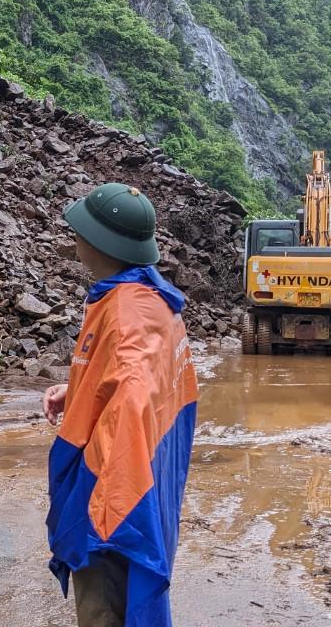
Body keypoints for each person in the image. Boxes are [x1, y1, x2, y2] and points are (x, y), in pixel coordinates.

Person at [42, 183, 199, 627]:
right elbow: (145, 384)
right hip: (136, 489)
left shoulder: (126, 312)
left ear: (98, 243)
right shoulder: (150, 300)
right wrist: (79, 392)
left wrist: (103, 508)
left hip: (113, 505)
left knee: (105, 610)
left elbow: (131, 396)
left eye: (79, 232)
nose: (74, 239)